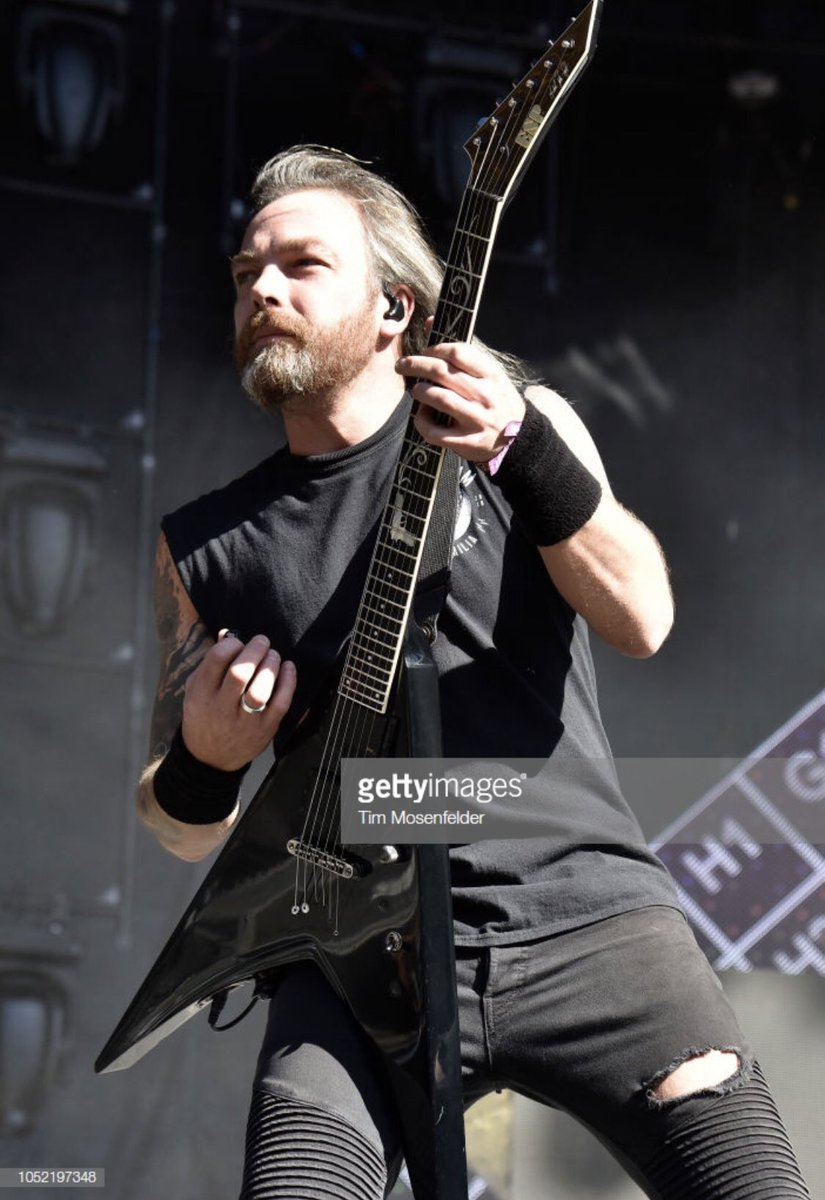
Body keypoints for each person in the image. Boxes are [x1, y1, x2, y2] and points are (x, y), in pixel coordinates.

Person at [137, 145, 811, 1199]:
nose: (261, 288)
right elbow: (178, 828)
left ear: (397, 306)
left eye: (302, 265)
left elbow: (644, 617)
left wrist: (519, 448)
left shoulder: (513, 421)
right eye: (243, 274)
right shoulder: (208, 548)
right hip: (358, 957)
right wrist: (209, 761)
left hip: (586, 914)